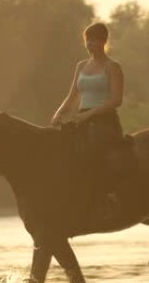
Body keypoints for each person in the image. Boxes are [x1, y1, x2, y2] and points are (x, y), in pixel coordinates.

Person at [51, 22, 127, 219]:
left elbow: (116, 100)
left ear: (103, 41)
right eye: (87, 40)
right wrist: (59, 113)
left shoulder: (113, 67)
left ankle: (105, 197)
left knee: (93, 151)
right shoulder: (81, 66)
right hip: (82, 119)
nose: (89, 44)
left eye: (93, 40)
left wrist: (90, 114)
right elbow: (72, 96)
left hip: (105, 121)